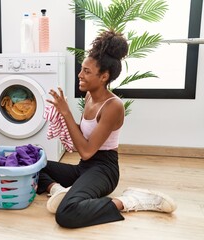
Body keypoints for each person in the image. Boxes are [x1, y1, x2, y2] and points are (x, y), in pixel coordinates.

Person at [36, 31, 177, 228]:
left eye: (86, 71)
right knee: (36, 165)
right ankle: (59, 190)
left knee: (66, 214)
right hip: (85, 168)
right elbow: (82, 139)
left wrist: (67, 113)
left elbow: (86, 151)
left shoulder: (113, 106)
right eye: (81, 69)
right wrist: (61, 114)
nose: (80, 74)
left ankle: (129, 200)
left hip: (104, 170)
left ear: (104, 76)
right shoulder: (89, 97)